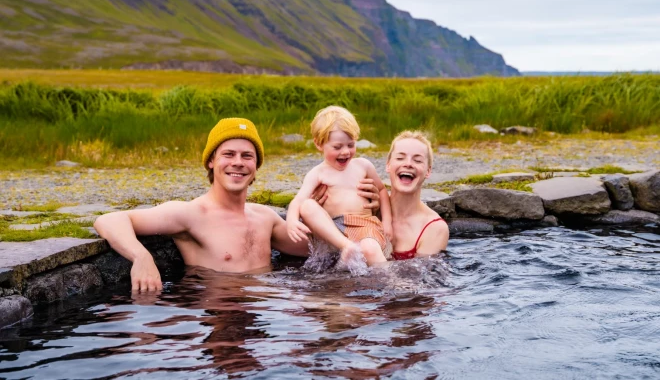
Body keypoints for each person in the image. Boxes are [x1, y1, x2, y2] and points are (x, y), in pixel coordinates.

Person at [94, 117, 382, 291]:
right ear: (211, 160)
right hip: (221, 311)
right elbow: (109, 220)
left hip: (267, 315)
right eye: (228, 154)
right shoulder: (190, 214)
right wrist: (142, 258)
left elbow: (318, 248)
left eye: (247, 156)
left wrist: (363, 207)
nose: (238, 163)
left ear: (256, 166)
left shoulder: (264, 217)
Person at [286, 106, 392, 266]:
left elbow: (382, 190)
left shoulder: (363, 166)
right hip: (333, 230)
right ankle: (347, 246)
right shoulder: (317, 173)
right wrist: (291, 220)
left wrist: (387, 222)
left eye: (350, 145)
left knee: (369, 248)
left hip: (364, 225)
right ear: (319, 144)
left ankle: (391, 281)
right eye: (337, 147)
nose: (345, 152)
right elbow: (299, 200)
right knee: (307, 205)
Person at [386, 130, 449, 259]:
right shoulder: (370, 207)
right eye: (400, 158)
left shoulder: (435, 228)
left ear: (428, 171)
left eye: (418, 160)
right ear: (388, 165)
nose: (408, 164)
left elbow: (417, 278)